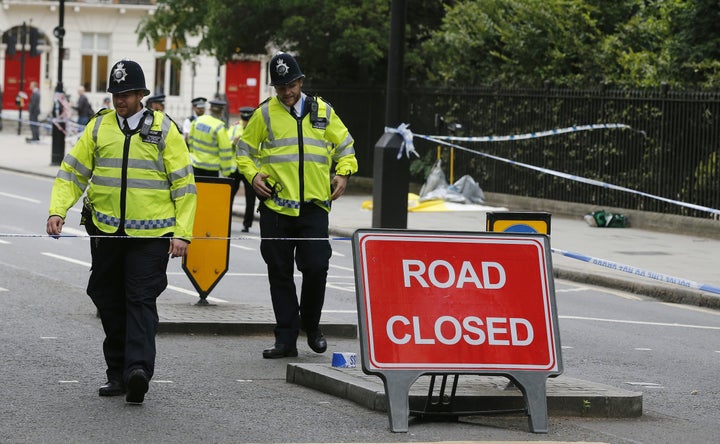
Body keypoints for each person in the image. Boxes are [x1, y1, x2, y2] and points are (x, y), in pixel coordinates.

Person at [46, 59, 197, 404]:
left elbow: (185, 186)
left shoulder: (165, 129)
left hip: (151, 235)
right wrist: (58, 209)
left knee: (140, 300)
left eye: (126, 94)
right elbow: (73, 173)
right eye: (116, 93)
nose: (120, 100)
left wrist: (183, 233)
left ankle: (138, 371)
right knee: (107, 298)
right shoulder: (99, 128)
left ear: (141, 95)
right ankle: (117, 373)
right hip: (106, 230)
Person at [236, 52, 358, 359]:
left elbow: (346, 147)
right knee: (280, 273)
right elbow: (243, 152)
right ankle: (286, 339)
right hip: (276, 209)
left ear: (301, 82)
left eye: (290, 84)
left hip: (314, 208)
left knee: (317, 268)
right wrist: (252, 177)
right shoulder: (264, 115)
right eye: (280, 87)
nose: (286, 92)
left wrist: (343, 173)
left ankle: (312, 326)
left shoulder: (323, 111)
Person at [228, 106, 257, 232]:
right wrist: (233, 142)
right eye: (243, 119)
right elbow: (225, 141)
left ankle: (247, 224)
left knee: (250, 198)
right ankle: (226, 220)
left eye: (247, 119)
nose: (245, 122)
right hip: (234, 167)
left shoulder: (256, 127)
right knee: (229, 196)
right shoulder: (234, 127)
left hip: (249, 168)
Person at [188, 99, 234, 178]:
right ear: (222, 112)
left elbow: (190, 141)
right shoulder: (219, 127)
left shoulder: (197, 121)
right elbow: (225, 151)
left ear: (210, 109)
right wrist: (226, 172)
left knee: (196, 190)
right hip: (211, 169)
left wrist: (193, 154)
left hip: (195, 165)